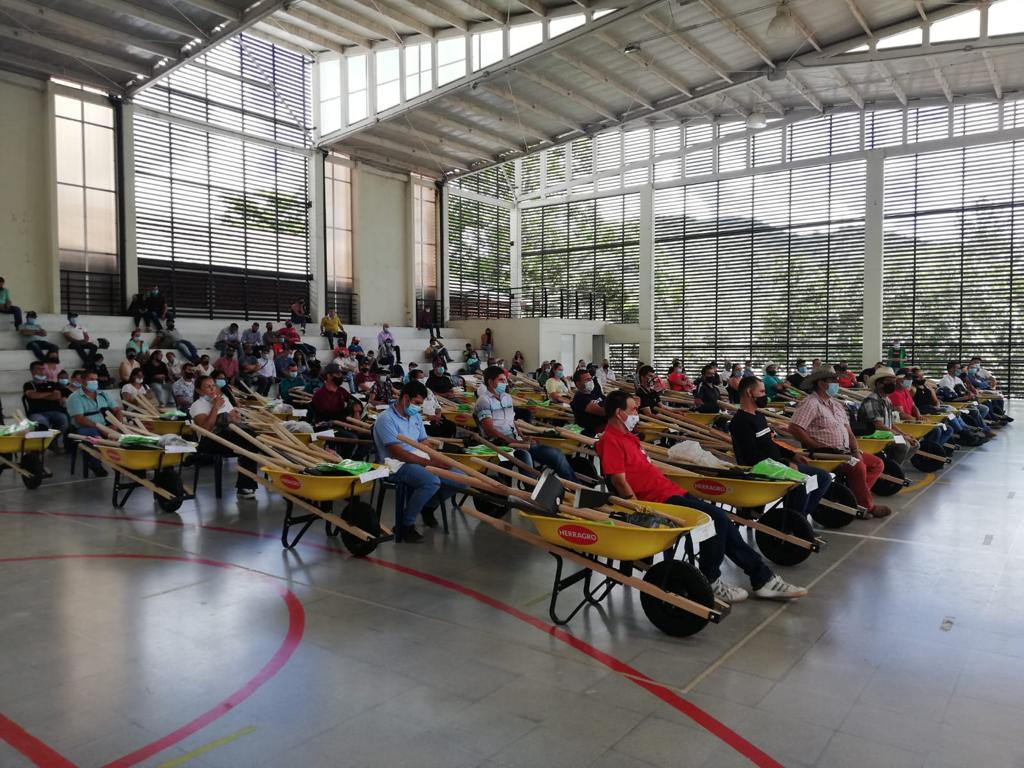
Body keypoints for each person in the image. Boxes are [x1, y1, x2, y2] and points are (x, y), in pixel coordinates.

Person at [598, 391, 806, 602]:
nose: (637, 413)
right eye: (633, 409)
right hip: (658, 501)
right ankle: (717, 579)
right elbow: (619, 481)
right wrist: (638, 510)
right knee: (717, 520)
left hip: (671, 491)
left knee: (723, 521)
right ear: (619, 413)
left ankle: (762, 578)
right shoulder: (610, 441)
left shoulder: (629, 437)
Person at [789, 365, 890, 518]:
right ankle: (867, 505)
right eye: (833, 380)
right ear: (821, 383)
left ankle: (853, 496)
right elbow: (795, 428)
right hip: (825, 453)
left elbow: (848, 431)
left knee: (877, 464)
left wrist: (855, 450)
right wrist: (815, 445)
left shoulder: (836, 405)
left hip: (843, 451)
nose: (837, 383)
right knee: (858, 466)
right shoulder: (811, 403)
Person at [373, 381, 464, 542]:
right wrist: (432, 464)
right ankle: (405, 524)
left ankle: (428, 506)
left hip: (418, 459)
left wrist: (437, 458)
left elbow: (424, 442)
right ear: (405, 398)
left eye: (420, 404)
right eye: (416, 403)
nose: (418, 407)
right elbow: (399, 454)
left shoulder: (415, 416)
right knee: (431, 481)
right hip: (395, 465)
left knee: (461, 480)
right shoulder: (386, 419)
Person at [730, 377, 831, 519]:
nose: (765, 396)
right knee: (801, 483)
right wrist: (785, 464)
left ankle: (798, 518)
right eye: (762, 392)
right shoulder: (740, 422)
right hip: (762, 468)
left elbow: (770, 444)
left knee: (823, 477)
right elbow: (751, 456)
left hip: (778, 465)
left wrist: (792, 455)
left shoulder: (759, 416)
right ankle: (793, 521)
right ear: (749, 392)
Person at [475, 366, 577, 481]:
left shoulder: (506, 398)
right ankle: (532, 489)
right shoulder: (484, 401)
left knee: (556, 454)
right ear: (490, 382)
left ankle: (574, 486)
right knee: (526, 456)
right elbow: (489, 431)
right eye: (501, 380)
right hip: (500, 443)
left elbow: (512, 421)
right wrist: (515, 442)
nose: (505, 383)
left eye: (505, 380)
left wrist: (523, 437)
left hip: (515, 440)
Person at [189, 375, 259, 499]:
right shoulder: (197, 405)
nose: (212, 389)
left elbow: (236, 419)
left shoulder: (223, 399)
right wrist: (215, 408)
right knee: (250, 441)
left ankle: (245, 486)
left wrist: (232, 417)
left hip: (231, 436)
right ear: (199, 391)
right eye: (208, 387)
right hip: (210, 441)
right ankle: (245, 485)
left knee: (249, 443)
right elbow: (206, 429)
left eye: (213, 385)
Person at [855, 366, 919, 465]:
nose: (893, 384)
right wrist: (902, 436)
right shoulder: (872, 401)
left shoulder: (887, 400)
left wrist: (905, 434)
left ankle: (894, 465)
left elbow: (890, 424)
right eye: (889, 381)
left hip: (886, 434)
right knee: (903, 445)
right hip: (874, 436)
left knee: (915, 444)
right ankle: (892, 467)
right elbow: (878, 425)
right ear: (879, 384)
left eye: (894, 381)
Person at [66, 371, 122, 476]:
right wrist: (101, 429)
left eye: (96, 379)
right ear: (82, 381)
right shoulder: (75, 397)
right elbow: (79, 419)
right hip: (85, 427)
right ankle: (95, 463)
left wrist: (116, 425)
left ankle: (125, 463)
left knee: (126, 435)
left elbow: (117, 410)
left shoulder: (103, 394)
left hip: (106, 425)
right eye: (91, 379)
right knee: (93, 435)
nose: (94, 382)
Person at [22, 362, 70, 446]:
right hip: (36, 413)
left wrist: (39, 395)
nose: (42, 371)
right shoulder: (28, 385)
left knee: (64, 420)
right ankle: (45, 445)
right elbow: (32, 395)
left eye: (43, 369)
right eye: (38, 369)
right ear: (32, 371)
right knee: (42, 424)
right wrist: (50, 394)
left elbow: (57, 396)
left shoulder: (53, 384)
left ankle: (51, 442)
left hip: (55, 411)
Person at [570, 369, 605, 437]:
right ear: (578, 383)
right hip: (595, 431)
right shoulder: (579, 398)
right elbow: (603, 411)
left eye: (591, 379)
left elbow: (609, 402)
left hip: (605, 426)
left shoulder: (594, 393)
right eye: (587, 380)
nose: (591, 381)